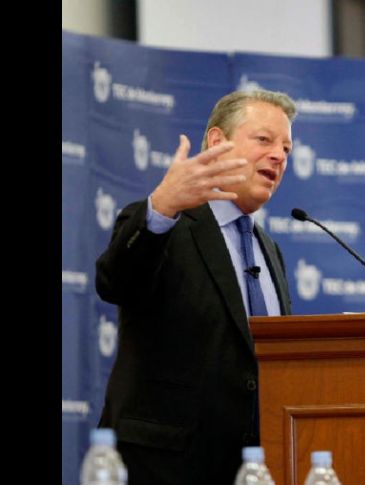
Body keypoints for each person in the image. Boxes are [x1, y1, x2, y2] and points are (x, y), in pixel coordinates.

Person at [95, 89, 296, 485]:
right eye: (264, 140)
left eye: (287, 147)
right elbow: (114, 281)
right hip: (165, 468)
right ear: (217, 142)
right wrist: (162, 207)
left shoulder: (269, 249)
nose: (279, 156)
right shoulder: (163, 223)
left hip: (253, 468)